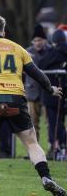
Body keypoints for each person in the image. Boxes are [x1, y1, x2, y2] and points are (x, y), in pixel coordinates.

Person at [0, 15, 66, 196]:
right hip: (17, 99)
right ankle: (46, 177)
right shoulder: (18, 49)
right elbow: (38, 74)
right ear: (4, 31)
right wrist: (51, 90)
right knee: (32, 143)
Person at [39, 29, 67, 160]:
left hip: (52, 94)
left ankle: (58, 147)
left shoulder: (53, 53)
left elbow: (41, 65)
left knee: (54, 122)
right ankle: (60, 148)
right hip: (64, 93)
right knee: (59, 120)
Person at [25, 24, 51, 141]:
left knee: (49, 122)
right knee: (32, 124)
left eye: (39, 40)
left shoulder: (51, 51)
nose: (37, 42)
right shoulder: (27, 52)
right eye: (35, 40)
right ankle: (33, 149)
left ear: (44, 40)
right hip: (32, 92)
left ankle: (52, 148)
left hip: (47, 92)